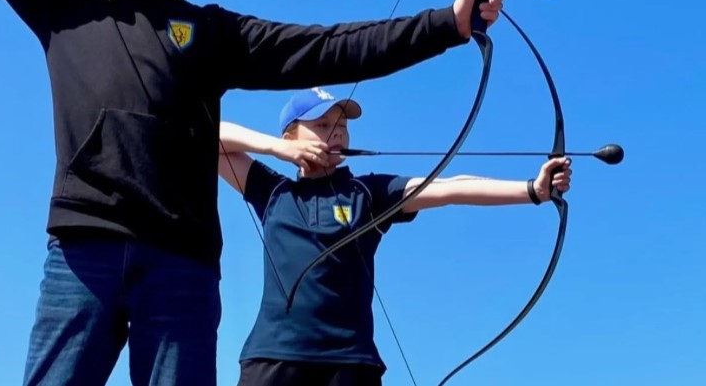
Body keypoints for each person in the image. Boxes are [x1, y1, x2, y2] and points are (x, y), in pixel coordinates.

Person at [0, 0, 505, 386]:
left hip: (182, 263)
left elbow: (327, 47)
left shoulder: (211, 32)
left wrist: (447, 24)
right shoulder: (67, 11)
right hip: (84, 248)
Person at [217, 87, 573, 386]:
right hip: (275, 356)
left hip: (350, 362)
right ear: (290, 137)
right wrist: (275, 148)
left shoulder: (367, 193)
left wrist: (532, 189)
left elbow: (450, 187)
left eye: (342, 126)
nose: (336, 133)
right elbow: (209, 135)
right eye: (322, 125)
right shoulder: (272, 191)